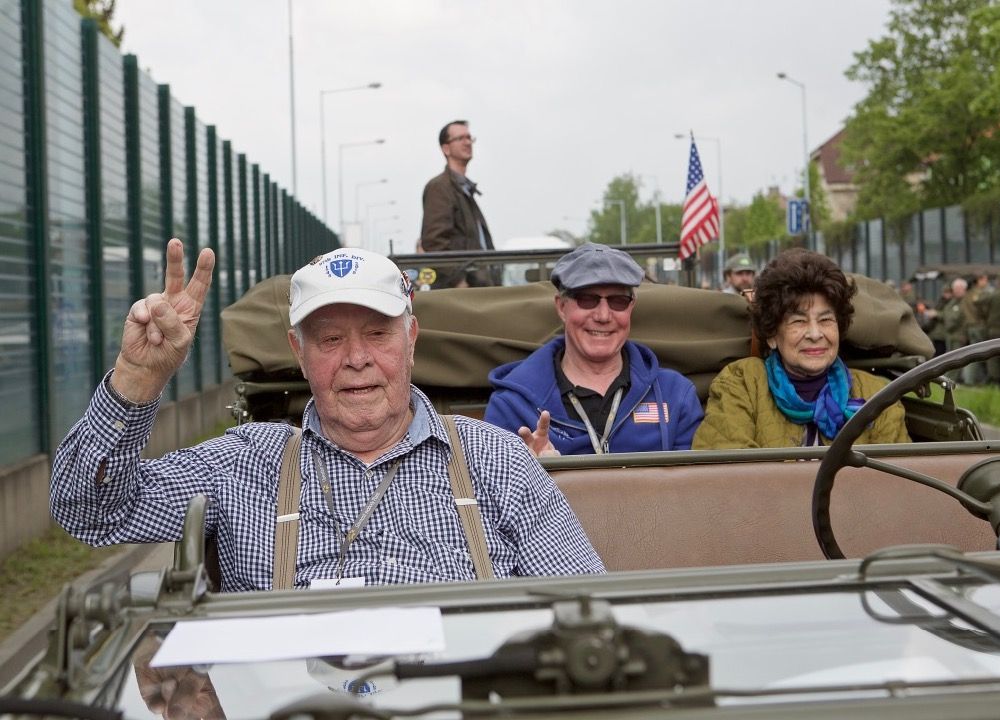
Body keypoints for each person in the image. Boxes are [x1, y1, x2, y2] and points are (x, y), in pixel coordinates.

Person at [50, 240, 603, 591]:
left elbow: (587, 605)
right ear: (299, 351)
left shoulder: (497, 459)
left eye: (378, 334)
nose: (357, 358)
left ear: (411, 339)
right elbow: (87, 512)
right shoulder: (245, 463)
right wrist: (137, 378)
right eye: (331, 339)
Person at [484, 242, 703, 456]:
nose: (603, 316)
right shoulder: (512, 405)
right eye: (587, 300)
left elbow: (696, 478)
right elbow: (493, 479)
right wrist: (534, 472)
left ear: (631, 307)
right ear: (561, 307)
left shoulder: (676, 396)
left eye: (618, 301)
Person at [692, 248, 910, 449]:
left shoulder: (877, 395)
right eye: (798, 321)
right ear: (772, 335)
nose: (815, 334)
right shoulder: (742, 383)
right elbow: (730, 470)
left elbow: (894, 473)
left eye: (825, 320)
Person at [419, 120, 496, 288]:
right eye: (460, 138)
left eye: (469, 137)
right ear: (446, 148)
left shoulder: (464, 189)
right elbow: (434, 242)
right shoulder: (440, 187)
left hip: (478, 286)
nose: (467, 142)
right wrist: (459, 282)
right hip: (464, 291)